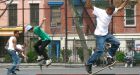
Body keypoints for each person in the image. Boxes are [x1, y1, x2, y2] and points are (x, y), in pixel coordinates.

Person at [85, 0, 129, 74]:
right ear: (108, 9)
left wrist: (127, 1)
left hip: (106, 34)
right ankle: (89, 63)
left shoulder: (112, 11)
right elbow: (89, 6)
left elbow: (121, 7)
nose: (111, 14)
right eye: (110, 12)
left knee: (117, 43)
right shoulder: (99, 11)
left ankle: (109, 56)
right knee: (100, 50)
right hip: (99, 35)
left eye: (112, 13)